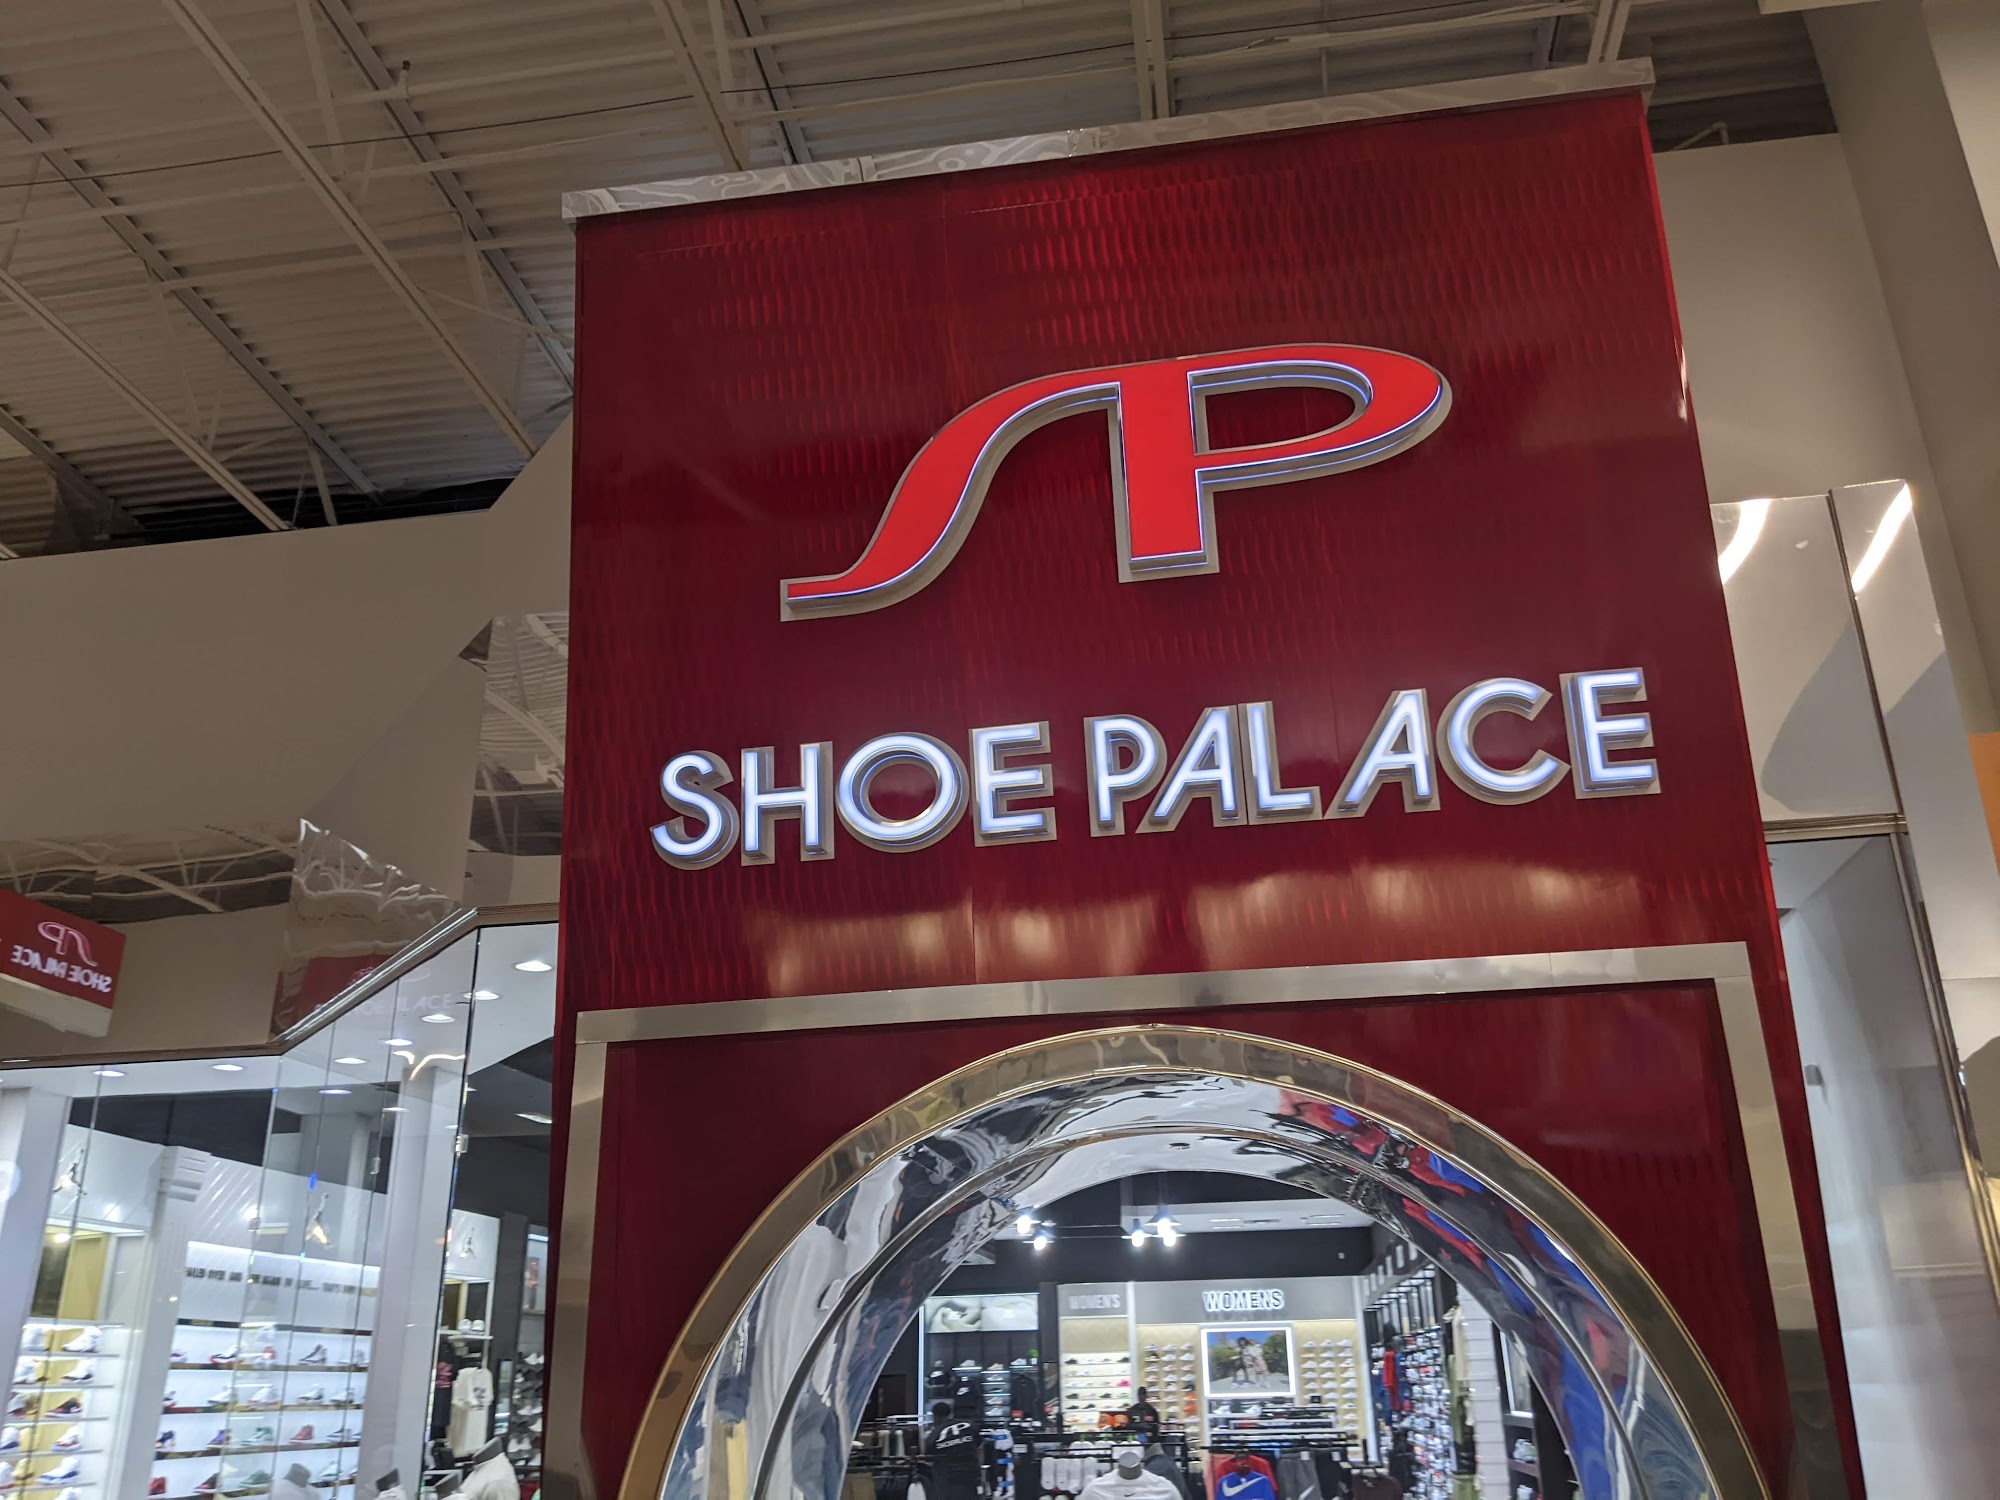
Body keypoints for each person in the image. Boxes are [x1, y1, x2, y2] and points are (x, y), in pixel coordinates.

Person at [926, 1400, 983, 1500]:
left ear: (935, 1416)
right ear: (950, 1413)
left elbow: (930, 1459)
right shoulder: (970, 1425)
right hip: (971, 1477)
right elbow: (979, 1449)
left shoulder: (933, 1435)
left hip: (949, 1481)